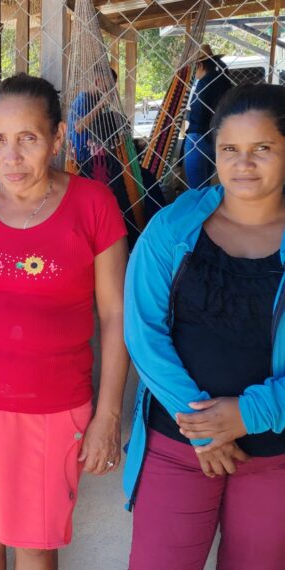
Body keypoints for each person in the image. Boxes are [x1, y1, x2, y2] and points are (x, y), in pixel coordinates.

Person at [0, 73, 129, 570]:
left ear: (57, 138)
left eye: (28, 139)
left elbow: (115, 315)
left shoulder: (93, 205)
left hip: (52, 409)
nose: (11, 156)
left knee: (35, 541)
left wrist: (108, 415)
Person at [124, 83, 285, 569]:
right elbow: (143, 333)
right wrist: (202, 428)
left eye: (263, 149)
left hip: (274, 455)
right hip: (177, 445)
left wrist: (250, 415)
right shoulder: (173, 229)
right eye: (229, 149)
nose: (244, 164)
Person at [183, 43, 232, 189]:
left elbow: (198, 113)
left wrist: (185, 115)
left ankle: (200, 210)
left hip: (198, 138)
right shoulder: (224, 80)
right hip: (215, 137)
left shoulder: (203, 83)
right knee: (207, 186)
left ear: (199, 65)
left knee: (196, 189)